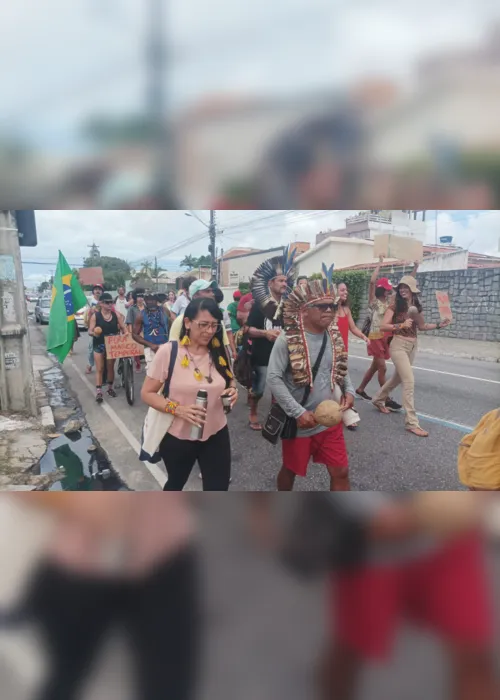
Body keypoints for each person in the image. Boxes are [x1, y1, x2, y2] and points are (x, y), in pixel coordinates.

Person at [19, 493, 200, 700]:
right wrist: (73, 501)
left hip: (163, 555)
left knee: (170, 686)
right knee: (62, 678)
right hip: (78, 567)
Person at [322, 493, 496, 700]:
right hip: (375, 545)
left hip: (449, 536)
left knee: (474, 655)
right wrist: (365, 512)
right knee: (352, 650)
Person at [267, 277, 355, 491]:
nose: (329, 310)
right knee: (290, 470)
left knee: (341, 471)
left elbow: (339, 366)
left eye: (332, 306)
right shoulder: (287, 339)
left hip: (329, 419)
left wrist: (349, 391)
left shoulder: (334, 336)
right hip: (300, 423)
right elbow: (274, 378)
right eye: (322, 306)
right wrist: (297, 412)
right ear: (305, 310)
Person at [141, 298, 238, 491]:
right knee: (176, 484)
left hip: (216, 433)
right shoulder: (169, 352)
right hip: (178, 437)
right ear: (187, 323)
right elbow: (147, 393)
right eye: (203, 325)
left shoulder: (218, 350)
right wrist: (178, 409)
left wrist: (233, 390)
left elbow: (229, 379)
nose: (209, 331)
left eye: (214, 326)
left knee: (218, 488)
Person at [372, 275, 451, 437]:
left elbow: (421, 326)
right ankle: (411, 423)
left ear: (412, 290)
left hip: (413, 346)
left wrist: (438, 325)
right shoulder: (395, 305)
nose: (402, 290)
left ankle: (378, 399)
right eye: (401, 287)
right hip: (398, 345)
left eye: (406, 287)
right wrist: (400, 325)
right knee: (409, 381)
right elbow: (382, 326)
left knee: (397, 379)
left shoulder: (416, 307)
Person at [246, 251, 295, 431]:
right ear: (270, 283)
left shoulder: (289, 306)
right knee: (258, 390)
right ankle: (253, 412)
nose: (284, 284)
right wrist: (265, 333)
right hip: (263, 354)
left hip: (283, 355)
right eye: (280, 281)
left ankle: (277, 416)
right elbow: (248, 330)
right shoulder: (260, 305)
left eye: (285, 281)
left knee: (281, 389)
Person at [355, 256, 403, 411]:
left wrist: (415, 268)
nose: (390, 291)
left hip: (385, 338)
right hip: (375, 338)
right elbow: (371, 282)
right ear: (382, 289)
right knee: (382, 368)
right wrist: (379, 264)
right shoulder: (374, 302)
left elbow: (404, 289)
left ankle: (361, 389)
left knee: (375, 367)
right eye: (387, 289)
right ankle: (384, 399)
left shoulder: (390, 303)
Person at [169, 280, 233, 359]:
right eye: (207, 291)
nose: (212, 294)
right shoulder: (180, 321)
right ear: (196, 295)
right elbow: (172, 350)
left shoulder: (217, 320)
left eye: (213, 325)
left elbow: (224, 347)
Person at [88, 292, 127, 403]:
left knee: (110, 367)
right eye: (107, 302)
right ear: (101, 303)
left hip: (112, 345)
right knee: (99, 368)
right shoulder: (96, 316)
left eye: (111, 302)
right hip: (99, 344)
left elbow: (124, 328)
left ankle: (110, 388)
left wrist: (126, 335)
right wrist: (93, 333)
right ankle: (99, 391)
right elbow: (90, 330)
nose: (110, 304)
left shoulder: (116, 315)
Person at [132, 294, 170, 373]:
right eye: (148, 300)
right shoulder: (141, 315)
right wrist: (150, 345)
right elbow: (134, 335)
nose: (150, 302)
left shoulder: (165, 311)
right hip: (150, 349)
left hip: (166, 347)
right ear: (145, 301)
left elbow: (172, 325)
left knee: (167, 372)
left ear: (157, 301)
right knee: (152, 374)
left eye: (152, 299)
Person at [336, 282, 369, 350]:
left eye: (346, 290)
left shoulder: (346, 310)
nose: (346, 292)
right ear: (334, 291)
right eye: (342, 290)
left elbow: (353, 328)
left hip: (343, 350)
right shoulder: (328, 311)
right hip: (331, 350)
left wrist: (363, 336)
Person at [214, 287, 237, 359]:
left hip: (222, 347)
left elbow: (229, 332)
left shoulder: (224, 313)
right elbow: (229, 332)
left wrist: (233, 350)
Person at [84, 284, 103, 374]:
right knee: (92, 347)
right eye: (96, 289)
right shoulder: (90, 300)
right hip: (93, 327)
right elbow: (87, 315)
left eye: (99, 289)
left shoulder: (104, 300)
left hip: (104, 326)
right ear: (93, 291)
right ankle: (90, 365)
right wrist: (91, 312)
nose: (97, 291)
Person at [126, 289, 146, 372]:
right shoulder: (132, 309)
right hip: (136, 331)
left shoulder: (147, 307)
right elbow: (129, 322)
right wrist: (130, 333)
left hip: (146, 330)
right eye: (138, 297)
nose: (140, 298)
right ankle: (137, 364)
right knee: (137, 349)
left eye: (142, 296)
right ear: (135, 298)